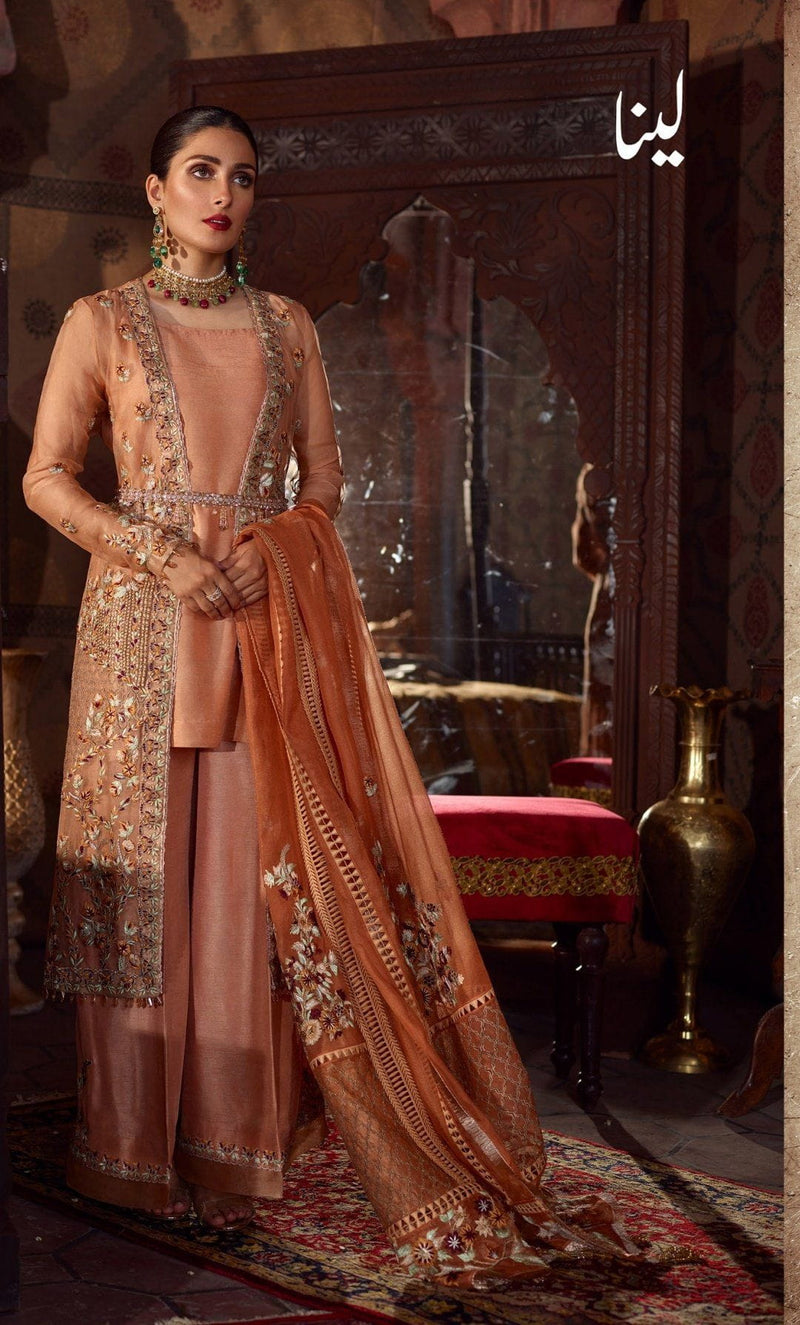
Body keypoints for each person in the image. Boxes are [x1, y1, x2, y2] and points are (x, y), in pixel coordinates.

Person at [24, 106, 646, 1285]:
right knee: (139, 890)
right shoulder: (98, 323)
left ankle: (231, 1146)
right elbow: (46, 478)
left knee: (247, 882)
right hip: (141, 630)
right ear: (155, 192)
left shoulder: (287, 325)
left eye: (241, 176)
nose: (222, 194)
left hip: (262, 625)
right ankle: (125, 1144)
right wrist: (163, 555)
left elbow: (324, 482)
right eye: (199, 172)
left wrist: (277, 546)